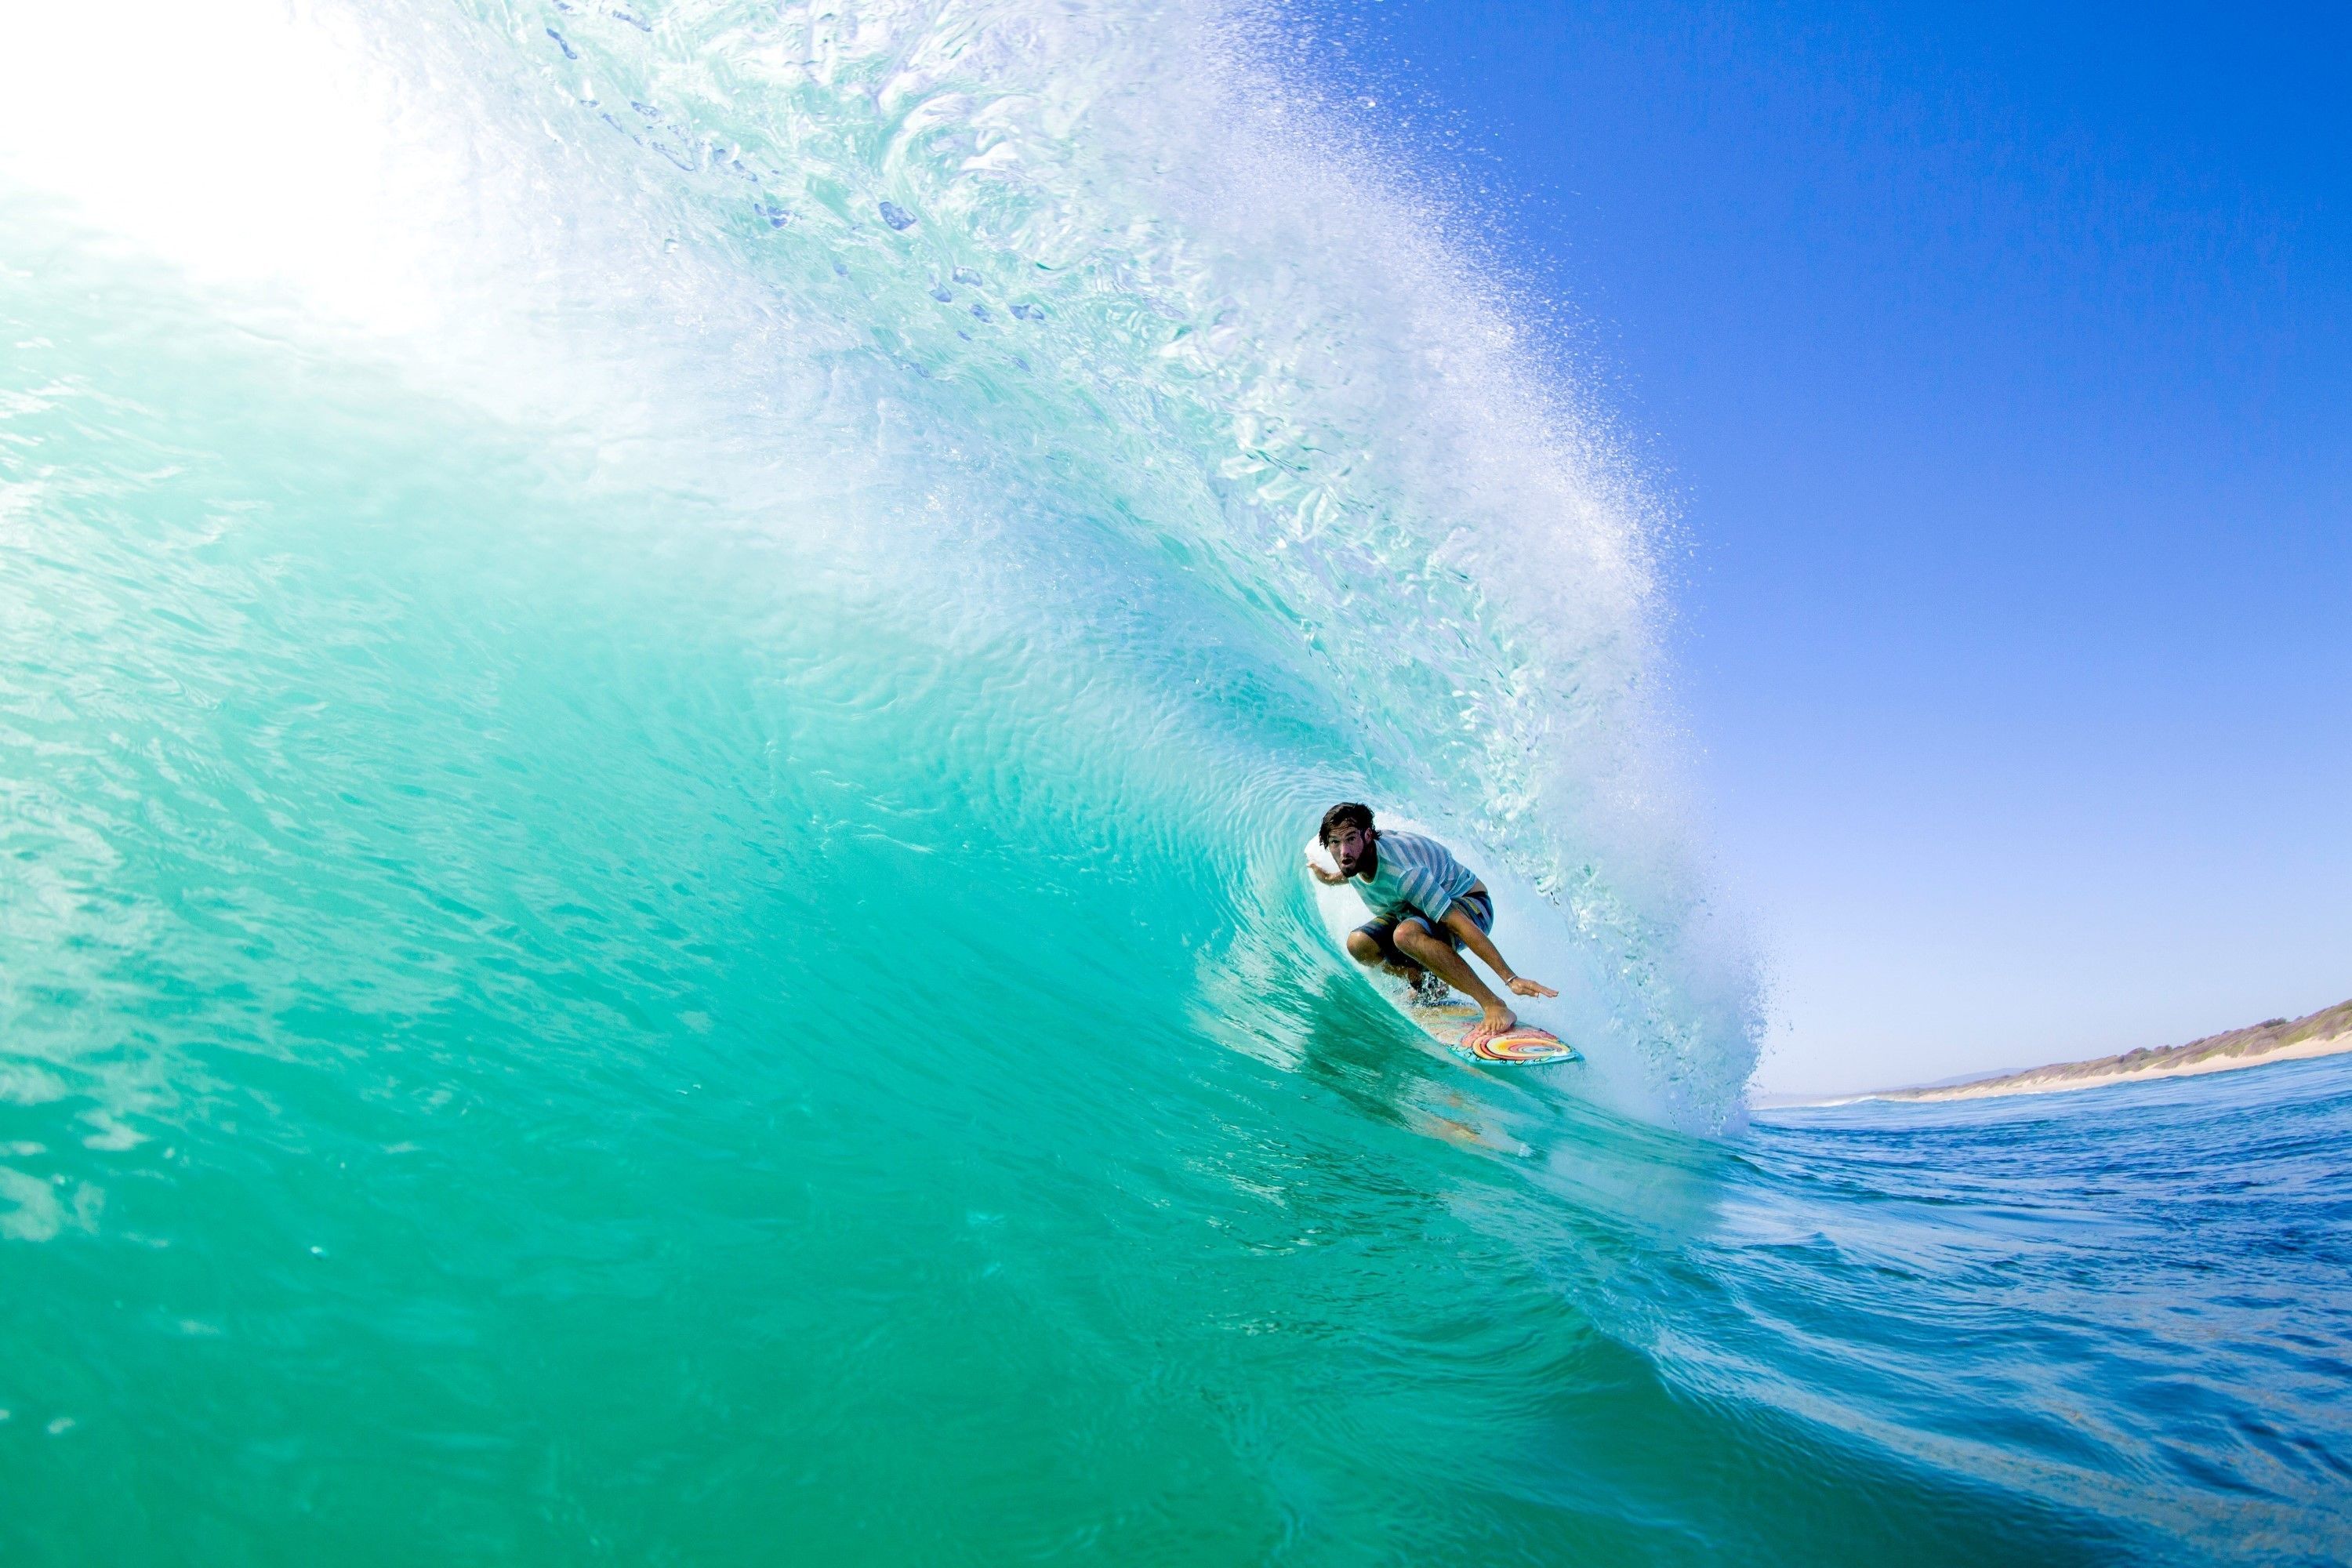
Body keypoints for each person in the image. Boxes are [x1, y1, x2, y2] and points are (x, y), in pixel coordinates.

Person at [1307, 801, 1557, 1049]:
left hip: (1469, 904)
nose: (1343, 852)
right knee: (1359, 944)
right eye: (1335, 843)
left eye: (1350, 839)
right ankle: (1426, 983)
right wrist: (1329, 878)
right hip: (1412, 908)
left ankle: (1494, 1004)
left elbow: (1458, 923)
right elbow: (1353, 864)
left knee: (1405, 935)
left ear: (1368, 835)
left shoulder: (1403, 873)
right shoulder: (1359, 858)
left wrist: (1509, 978)